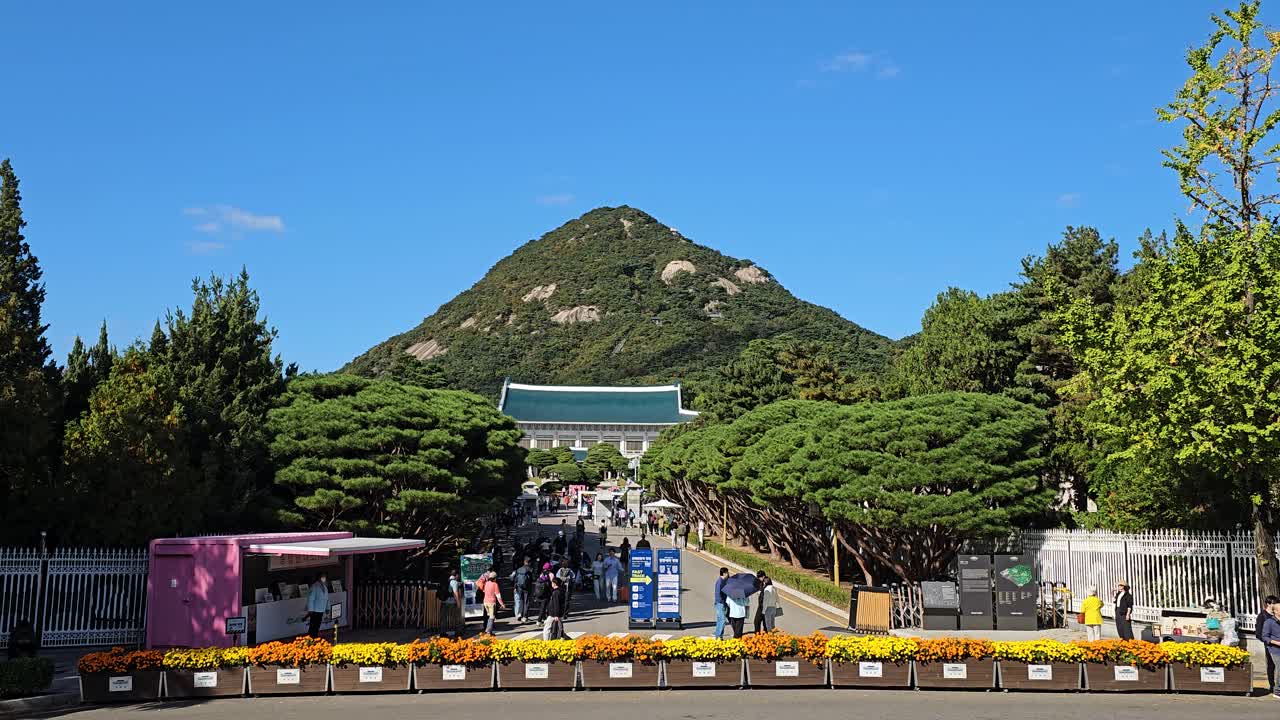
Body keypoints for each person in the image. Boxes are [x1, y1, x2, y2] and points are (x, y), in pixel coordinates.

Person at [1260, 596, 1280, 689]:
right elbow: (1263, 635)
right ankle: (1274, 687)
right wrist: (1274, 642)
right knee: (1273, 667)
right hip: (1272, 648)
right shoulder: (1267, 619)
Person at [481, 570, 506, 634]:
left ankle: (489, 631)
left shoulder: (486, 583)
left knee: (489, 616)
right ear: (494, 578)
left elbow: (484, 591)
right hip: (491, 603)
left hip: (485, 602)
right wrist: (502, 604)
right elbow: (498, 595)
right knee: (492, 617)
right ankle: (488, 631)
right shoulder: (495, 584)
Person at [306, 571, 329, 638]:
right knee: (313, 626)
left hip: (321, 609)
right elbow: (311, 599)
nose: (324, 578)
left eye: (325, 577)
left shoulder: (325, 587)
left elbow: (327, 598)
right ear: (319, 578)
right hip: (315, 610)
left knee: (317, 625)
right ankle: (311, 638)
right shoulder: (314, 586)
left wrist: (327, 608)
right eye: (323, 577)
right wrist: (310, 610)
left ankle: (315, 637)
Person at [510, 558, 533, 623]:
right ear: (529, 563)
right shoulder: (530, 570)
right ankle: (525, 617)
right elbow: (531, 579)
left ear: (524, 562)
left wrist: (515, 586)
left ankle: (520, 614)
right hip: (527, 588)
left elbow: (515, 579)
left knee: (521, 601)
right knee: (526, 602)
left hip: (519, 587)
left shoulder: (519, 569)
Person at [442, 569, 464, 637]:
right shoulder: (454, 582)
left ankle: (443, 633)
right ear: (456, 575)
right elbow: (455, 593)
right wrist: (458, 603)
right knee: (456, 617)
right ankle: (458, 632)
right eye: (458, 575)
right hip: (451, 602)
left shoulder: (447, 580)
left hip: (444, 602)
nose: (459, 576)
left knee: (444, 618)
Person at [713, 567, 729, 640]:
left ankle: (719, 635)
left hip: (722, 603)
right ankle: (719, 635)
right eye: (727, 573)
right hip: (720, 603)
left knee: (720, 620)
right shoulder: (720, 582)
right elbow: (718, 594)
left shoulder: (723, 581)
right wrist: (722, 602)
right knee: (722, 619)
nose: (728, 574)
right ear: (725, 573)